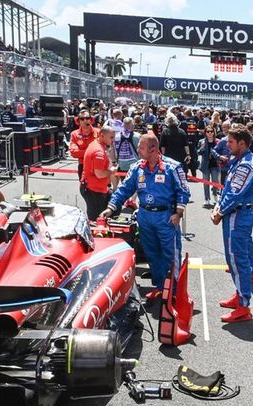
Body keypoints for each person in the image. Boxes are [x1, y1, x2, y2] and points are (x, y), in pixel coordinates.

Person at [100, 134, 190, 301]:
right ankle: (160, 286)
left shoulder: (173, 167)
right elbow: (124, 190)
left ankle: (174, 292)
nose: (138, 151)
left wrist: (178, 213)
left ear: (153, 149)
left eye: (141, 148)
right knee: (152, 254)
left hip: (166, 217)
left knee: (171, 255)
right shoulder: (137, 168)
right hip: (145, 217)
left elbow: (183, 191)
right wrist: (111, 208)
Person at [210, 125, 253, 323]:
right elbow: (227, 189)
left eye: (231, 142)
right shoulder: (241, 160)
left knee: (238, 259)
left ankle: (244, 306)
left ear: (242, 143)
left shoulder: (247, 164)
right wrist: (219, 207)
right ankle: (239, 294)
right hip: (233, 214)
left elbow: (234, 194)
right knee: (232, 258)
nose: (227, 145)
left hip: (238, 216)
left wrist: (219, 211)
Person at [81, 125, 117, 221]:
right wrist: (112, 171)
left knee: (113, 208)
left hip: (96, 188)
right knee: (96, 220)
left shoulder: (96, 144)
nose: (113, 140)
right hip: (94, 189)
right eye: (111, 137)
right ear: (102, 135)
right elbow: (99, 174)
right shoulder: (98, 151)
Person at [69, 110, 98, 182]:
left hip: (98, 164)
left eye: (87, 118)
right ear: (78, 121)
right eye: (82, 119)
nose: (85, 120)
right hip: (83, 165)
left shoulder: (98, 132)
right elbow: (74, 152)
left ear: (91, 119)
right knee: (84, 191)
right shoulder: (74, 134)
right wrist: (91, 152)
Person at [198, 125, 222, 207]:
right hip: (205, 165)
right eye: (208, 131)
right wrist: (202, 148)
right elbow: (198, 152)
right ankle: (206, 199)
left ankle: (215, 195)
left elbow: (221, 152)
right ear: (205, 133)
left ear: (214, 132)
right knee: (206, 182)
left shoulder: (218, 141)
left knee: (215, 182)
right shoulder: (202, 141)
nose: (210, 133)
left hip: (215, 164)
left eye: (211, 131)